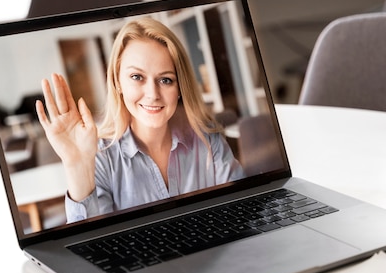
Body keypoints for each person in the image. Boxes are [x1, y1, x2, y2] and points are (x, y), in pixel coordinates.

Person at [36, 17, 244, 223]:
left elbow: (241, 212)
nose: (152, 94)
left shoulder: (207, 139)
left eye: (166, 80)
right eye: (137, 77)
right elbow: (90, 248)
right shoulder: (101, 157)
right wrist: (77, 166)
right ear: (117, 82)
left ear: (180, 87)